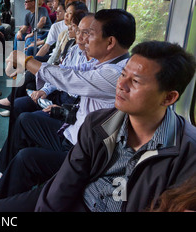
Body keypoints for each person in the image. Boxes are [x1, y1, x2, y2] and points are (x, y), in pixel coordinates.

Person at [0, 9, 136, 192]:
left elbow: (70, 78)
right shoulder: (99, 63)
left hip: (82, 151)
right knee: (26, 120)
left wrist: (27, 61)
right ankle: (7, 172)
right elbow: (70, 70)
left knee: (27, 158)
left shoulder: (116, 74)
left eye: (91, 34)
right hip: (73, 130)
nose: (85, 39)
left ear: (110, 42)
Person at [34, 41, 196, 212]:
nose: (121, 85)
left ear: (168, 98)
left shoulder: (188, 153)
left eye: (135, 82)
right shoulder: (99, 123)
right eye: (123, 75)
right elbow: (65, 183)